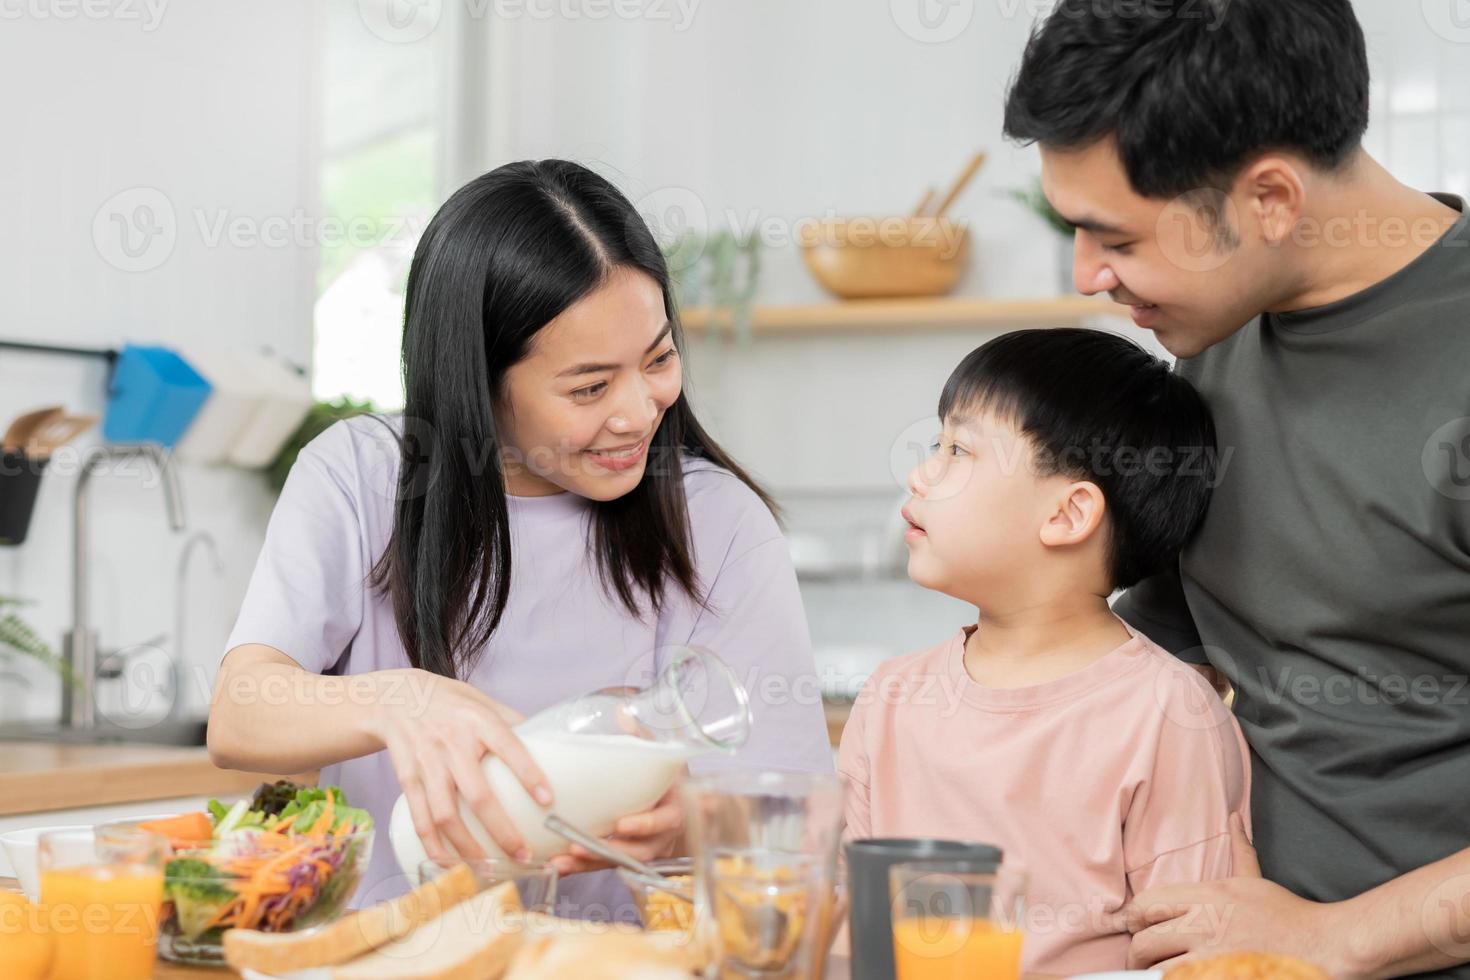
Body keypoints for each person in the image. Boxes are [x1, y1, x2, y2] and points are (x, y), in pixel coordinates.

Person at [207, 159, 832, 916]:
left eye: (660, 359)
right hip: (394, 954)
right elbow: (239, 712)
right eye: (590, 387)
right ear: (477, 381)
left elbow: (793, 815)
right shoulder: (362, 477)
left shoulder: (720, 524)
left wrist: (691, 824)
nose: (639, 411)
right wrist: (400, 700)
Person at [1003, 1, 1470, 974]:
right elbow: (1167, 630)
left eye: (1116, 239)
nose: (1088, 273)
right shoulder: (1215, 341)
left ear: (1268, 199)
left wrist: (1334, 935)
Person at [838, 328, 1249, 975]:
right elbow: (851, 934)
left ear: (1067, 514)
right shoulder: (892, 696)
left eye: (957, 450)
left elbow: (1192, 957)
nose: (920, 473)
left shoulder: (1168, 715)